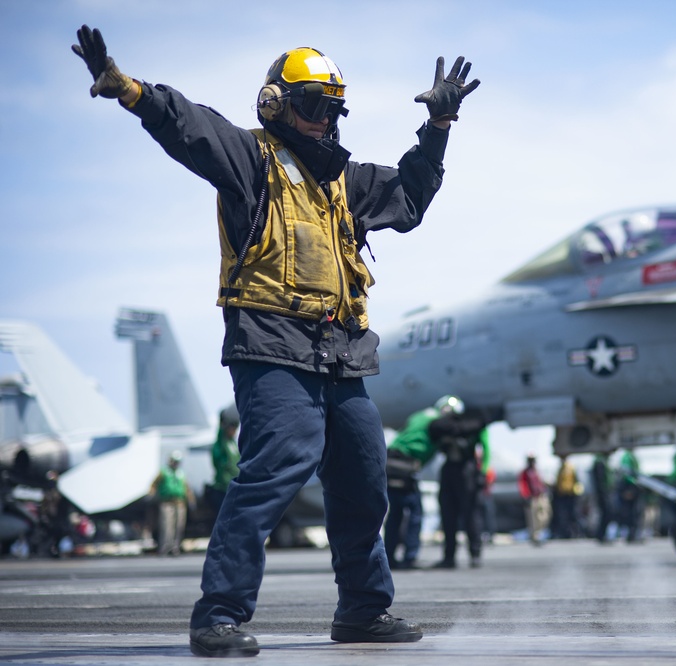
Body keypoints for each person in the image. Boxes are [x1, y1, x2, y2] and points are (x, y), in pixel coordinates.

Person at [72, 25, 479, 658]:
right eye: (314, 105)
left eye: (332, 108)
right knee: (274, 469)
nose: (324, 121)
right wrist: (130, 90)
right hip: (271, 344)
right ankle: (219, 616)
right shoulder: (251, 158)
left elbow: (411, 196)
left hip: (341, 352)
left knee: (366, 478)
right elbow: (189, 127)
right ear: (275, 104)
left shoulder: (347, 182)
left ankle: (364, 611)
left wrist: (439, 128)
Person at [383, 399, 447, 570]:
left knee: (395, 513)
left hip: (391, 462)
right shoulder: (439, 423)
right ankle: (409, 557)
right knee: (415, 512)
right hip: (406, 466)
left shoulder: (420, 416)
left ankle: (389, 557)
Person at [429, 396, 489, 569]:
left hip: (467, 470)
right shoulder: (440, 427)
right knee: (448, 515)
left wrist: (483, 471)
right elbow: (435, 430)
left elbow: (486, 446)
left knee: (471, 514)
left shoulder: (473, 424)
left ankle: (475, 553)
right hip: (450, 470)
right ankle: (449, 556)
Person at [149, 451, 196, 556]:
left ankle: (175, 547)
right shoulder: (164, 472)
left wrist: (191, 499)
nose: (175, 463)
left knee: (179, 526)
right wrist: (152, 495)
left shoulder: (181, 473)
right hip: (167, 502)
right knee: (167, 526)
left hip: (180, 503)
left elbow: (187, 487)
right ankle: (165, 547)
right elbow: (154, 484)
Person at [206, 406, 241, 515]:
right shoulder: (221, 444)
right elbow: (219, 442)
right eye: (232, 427)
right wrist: (223, 421)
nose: (234, 430)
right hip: (223, 489)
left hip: (235, 488)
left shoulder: (233, 444)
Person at [518, 454, 550, 545]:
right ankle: (535, 535)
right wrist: (526, 496)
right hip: (532, 497)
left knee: (544, 515)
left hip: (541, 496)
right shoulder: (525, 472)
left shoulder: (537, 471)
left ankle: (541, 532)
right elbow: (522, 485)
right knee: (533, 518)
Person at [616, 448, 644, 543]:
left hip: (631, 486)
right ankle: (630, 535)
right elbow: (627, 474)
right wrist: (631, 487)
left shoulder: (630, 456)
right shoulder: (627, 457)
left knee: (633, 513)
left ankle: (632, 534)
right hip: (629, 487)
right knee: (630, 513)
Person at [551, 455, 582, 539]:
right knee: (562, 516)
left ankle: (576, 532)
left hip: (570, 495)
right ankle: (565, 533)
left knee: (573, 514)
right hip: (561, 495)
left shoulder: (571, 468)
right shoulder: (560, 469)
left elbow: (577, 480)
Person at [590, 453, 614, 543]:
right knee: (606, 513)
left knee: (606, 513)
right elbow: (600, 481)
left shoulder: (602, 461)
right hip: (602, 493)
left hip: (604, 493)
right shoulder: (599, 462)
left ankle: (602, 534)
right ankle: (601, 534)